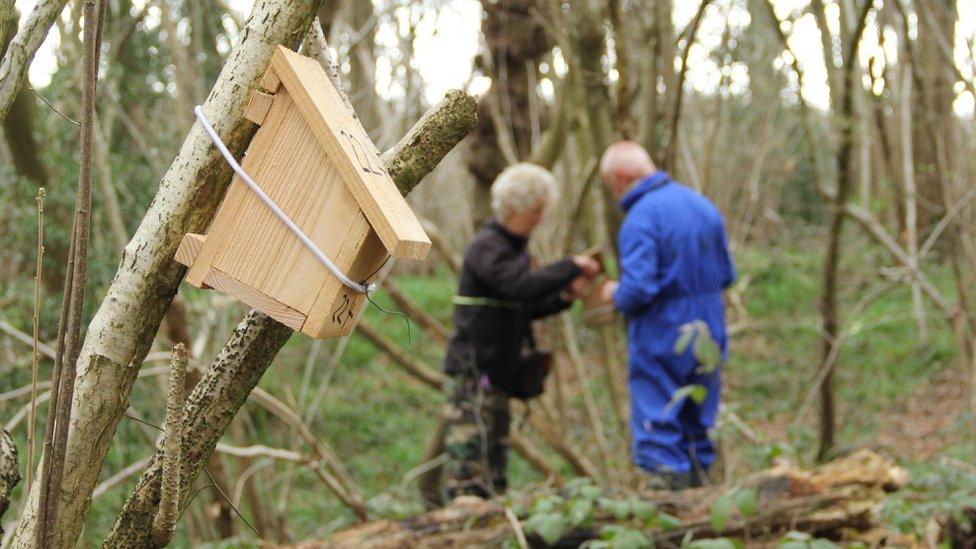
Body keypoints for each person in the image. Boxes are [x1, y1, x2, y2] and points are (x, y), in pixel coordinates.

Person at [441, 163, 599, 500]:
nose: (540, 220)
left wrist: (567, 295)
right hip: (474, 376)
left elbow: (525, 306)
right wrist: (571, 265)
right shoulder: (488, 246)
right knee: (469, 471)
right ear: (513, 209)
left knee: (495, 470)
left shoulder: (512, 249)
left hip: (497, 376)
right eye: (536, 211)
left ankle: (494, 524)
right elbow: (521, 287)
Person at [598, 141, 735, 489]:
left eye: (611, 184)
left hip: (662, 330)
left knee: (658, 420)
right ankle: (702, 505)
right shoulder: (701, 205)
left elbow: (639, 289)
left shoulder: (641, 217)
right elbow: (727, 274)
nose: (613, 194)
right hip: (710, 325)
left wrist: (615, 293)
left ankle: (666, 514)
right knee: (698, 421)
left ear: (622, 177)